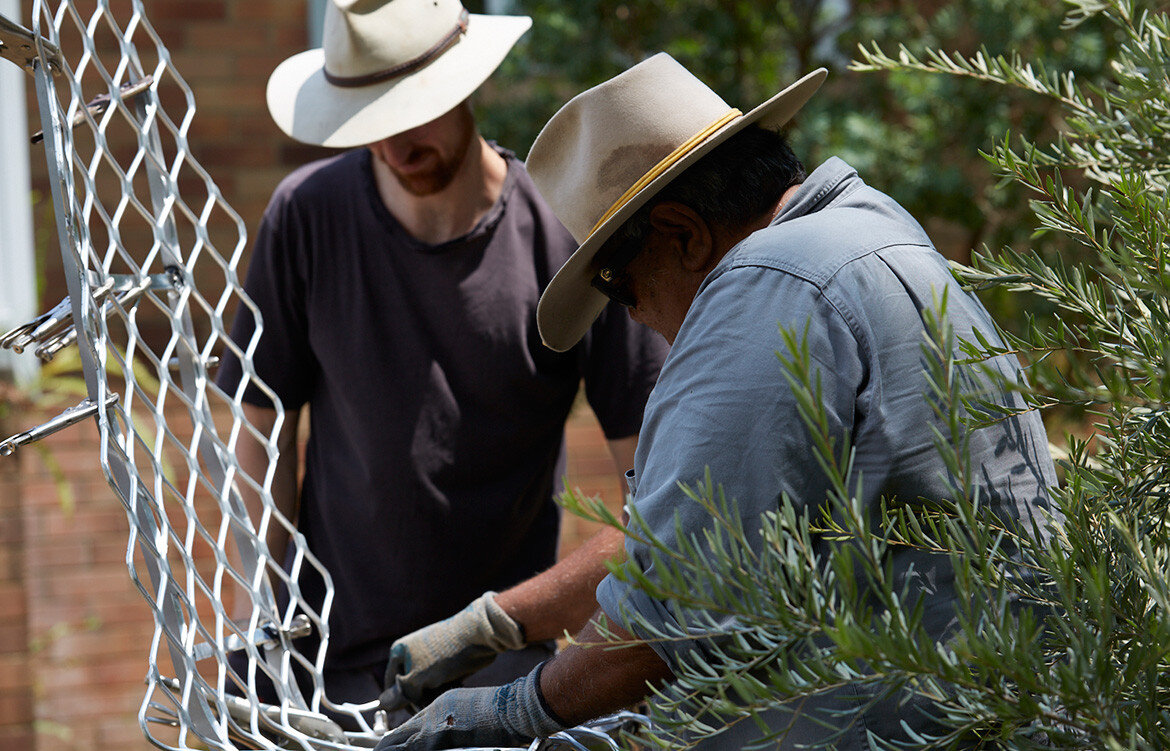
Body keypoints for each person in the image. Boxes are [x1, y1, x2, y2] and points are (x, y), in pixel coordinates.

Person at [372, 53, 1058, 750]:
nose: (632, 318)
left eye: (618, 284)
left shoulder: (766, 286)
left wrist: (506, 711)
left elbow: (674, 616)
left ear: (684, 234)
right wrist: (496, 621)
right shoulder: (866, 234)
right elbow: (679, 541)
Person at [215, 0, 668, 720]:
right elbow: (265, 438)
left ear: (466, 85)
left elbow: (657, 497)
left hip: (501, 671)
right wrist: (257, 624)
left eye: (412, 111)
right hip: (328, 658)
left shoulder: (566, 240)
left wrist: (533, 635)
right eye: (370, 123)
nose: (395, 145)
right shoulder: (306, 215)